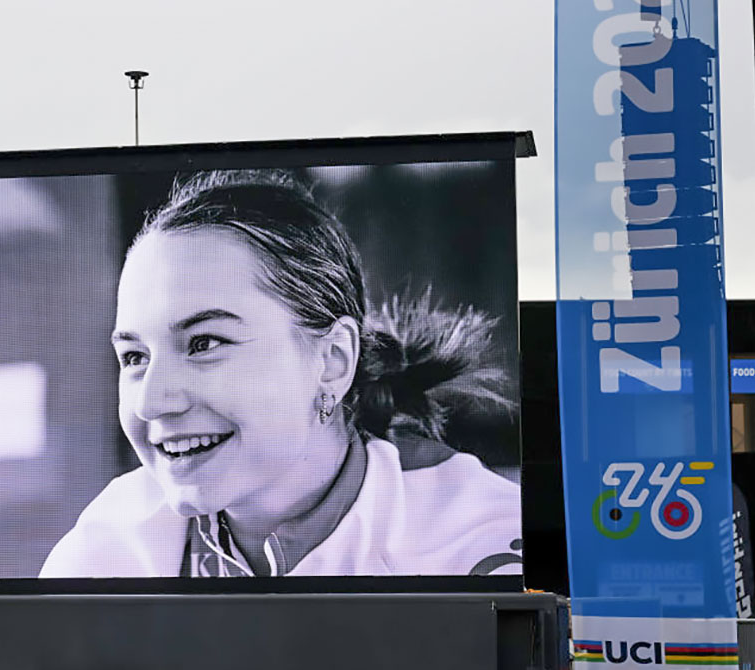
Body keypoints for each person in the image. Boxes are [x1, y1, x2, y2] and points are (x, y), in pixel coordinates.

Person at [40, 169, 521, 578]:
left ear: (332, 361)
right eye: (135, 358)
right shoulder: (106, 553)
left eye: (204, 343)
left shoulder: (479, 548)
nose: (151, 402)